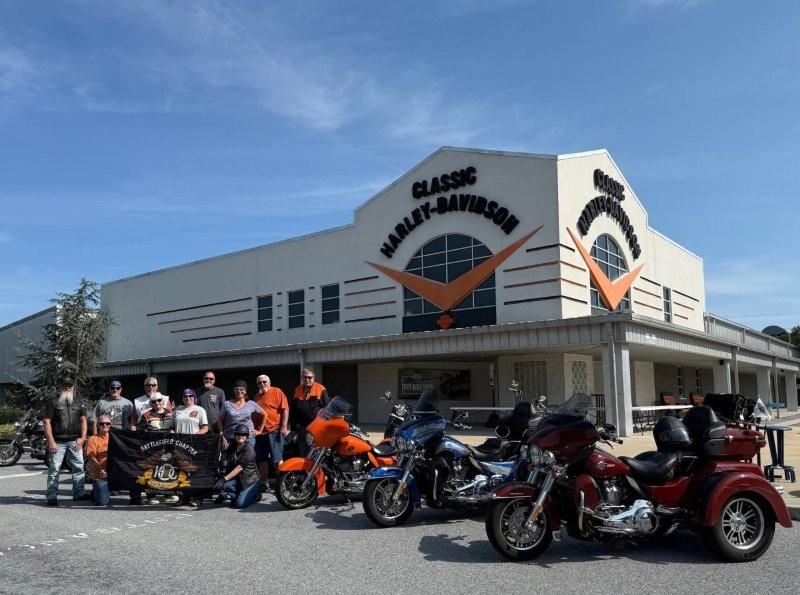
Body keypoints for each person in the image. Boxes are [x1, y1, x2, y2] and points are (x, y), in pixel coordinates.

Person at [41, 375, 91, 506]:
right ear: (61, 387)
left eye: (70, 385)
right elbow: (46, 422)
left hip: (75, 441)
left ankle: (79, 494)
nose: (68, 387)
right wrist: (51, 441)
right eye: (65, 385)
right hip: (57, 442)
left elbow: (83, 420)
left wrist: (83, 438)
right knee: (54, 469)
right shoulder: (53, 401)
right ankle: (52, 496)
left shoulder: (78, 401)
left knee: (79, 468)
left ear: (74, 387)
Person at [137, 392, 179, 505]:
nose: (157, 403)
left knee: (168, 469)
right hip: (152, 448)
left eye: (159, 400)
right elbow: (139, 431)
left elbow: (177, 427)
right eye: (154, 401)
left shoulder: (171, 414)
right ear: (151, 403)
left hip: (169, 447)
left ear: (163, 401)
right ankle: (151, 496)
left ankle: (168, 494)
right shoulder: (146, 415)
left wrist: (174, 431)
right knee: (152, 471)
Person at [252, 375, 289, 492]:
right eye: (259, 383)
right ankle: (264, 483)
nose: (262, 384)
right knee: (261, 459)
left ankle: (282, 484)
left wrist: (284, 426)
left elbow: (285, 409)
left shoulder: (277, 391)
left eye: (264, 382)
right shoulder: (257, 395)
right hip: (260, 432)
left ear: (269, 382)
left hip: (274, 430)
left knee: (277, 459)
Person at [172, 388, 208, 508]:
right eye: (185, 396)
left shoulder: (200, 410)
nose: (188, 398)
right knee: (181, 470)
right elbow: (172, 427)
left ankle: (196, 497)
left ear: (194, 397)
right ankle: (183, 497)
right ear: (182, 398)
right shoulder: (177, 410)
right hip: (179, 445)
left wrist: (193, 436)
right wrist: (173, 434)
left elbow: (205, 428)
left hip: (194, 444)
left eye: (190, 396)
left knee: (194, 471)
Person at [214, 424, 261, 509]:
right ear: (235, 435)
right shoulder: (232, 446)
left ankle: (256, 496)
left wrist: (224, 479)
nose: (240, 436)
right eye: (238, 434)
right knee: (225, 486)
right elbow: (223, 458)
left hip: (250, 481)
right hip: (238, 479)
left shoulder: (249, 449)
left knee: (240, 504)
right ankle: (239, 496)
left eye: (243, 434)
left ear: (246, 436)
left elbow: (240, 467)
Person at [216, 380, 266, 450]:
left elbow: (264, 414)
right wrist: (221, 435)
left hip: (248, 438)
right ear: (234, 391)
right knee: (229, 456)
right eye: (236, 389)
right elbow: (219, 420)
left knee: (247, 456)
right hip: (230, 438)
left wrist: (260, 430)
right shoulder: (226, 404)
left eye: (242, 389)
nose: (239, 391)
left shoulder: (251, 403)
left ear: (245, 391)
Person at [291, 368, 329, 456]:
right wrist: (293, 427)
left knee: (316, 452)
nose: (307, 379)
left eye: (309, 377)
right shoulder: (297, 389)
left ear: (314, 378)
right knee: (303, 451)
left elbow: (327, 409)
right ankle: (304, 465)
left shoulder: (320, 389)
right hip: (303, 427)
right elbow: (293, 410)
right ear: (302, 378)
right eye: (305, 377)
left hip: (316, 427)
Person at [85, 414, 112, 506]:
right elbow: (91, 457)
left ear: (110, 425)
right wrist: (101, 470)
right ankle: (95, 491)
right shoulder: (92, 439)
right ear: (98, 425)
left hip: (115, 474)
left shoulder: (115, 438)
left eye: (107, 423)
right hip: (101, 474)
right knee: (102, 502)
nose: (105, 425)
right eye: (102, 423)